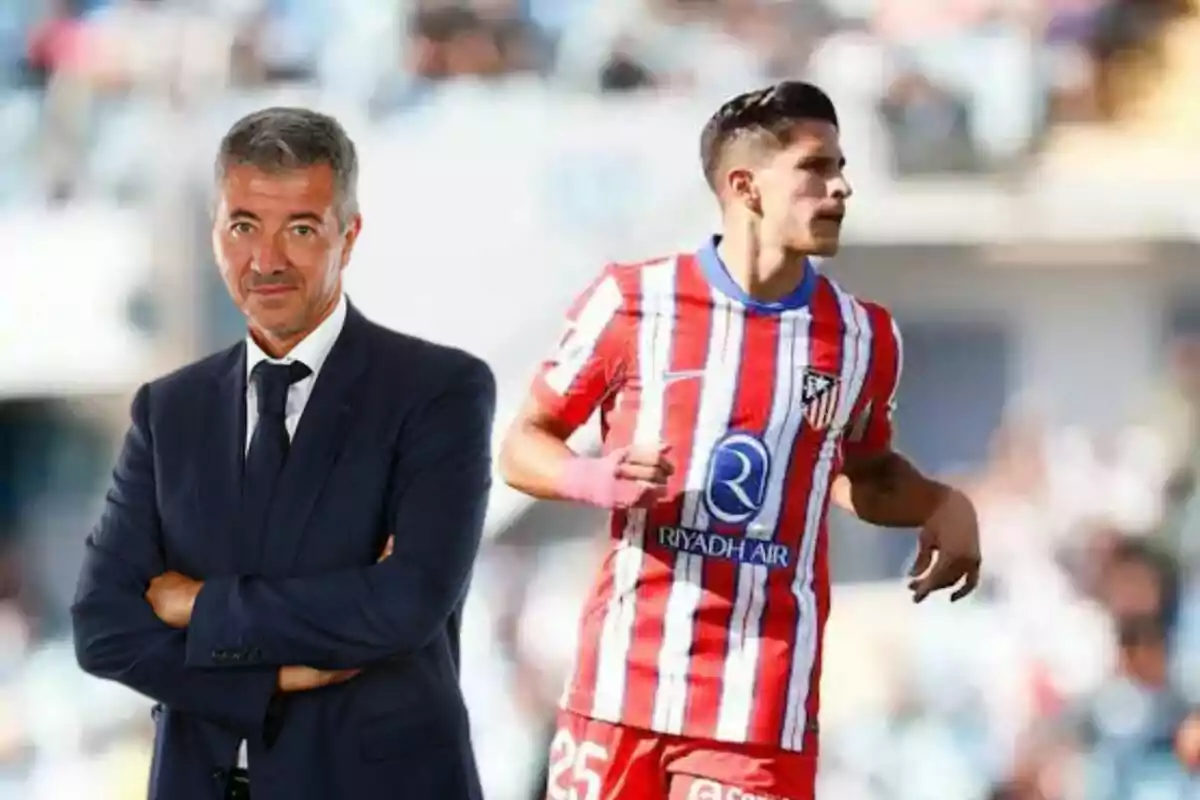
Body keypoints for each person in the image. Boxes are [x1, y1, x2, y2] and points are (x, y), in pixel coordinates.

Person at [498, 81, 982, 800]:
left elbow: (861, 473)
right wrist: (596, 479)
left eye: (840, 166)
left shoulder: (861, 338)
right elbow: (521, 447)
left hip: (759, 704)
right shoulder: (633, 303)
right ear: (745, 186)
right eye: (816, 168)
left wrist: (941, 503)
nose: (841, 186)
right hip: (619, 690)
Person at [71, 107, 495, 800]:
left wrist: (197, 604)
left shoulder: (437, 391)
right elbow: (103, 628)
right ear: (216, 236)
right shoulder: (167, 410)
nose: (265, 261)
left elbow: (405, 604)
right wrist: (271, 677)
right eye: (244, 227)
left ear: (348, 236)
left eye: (299, 229)